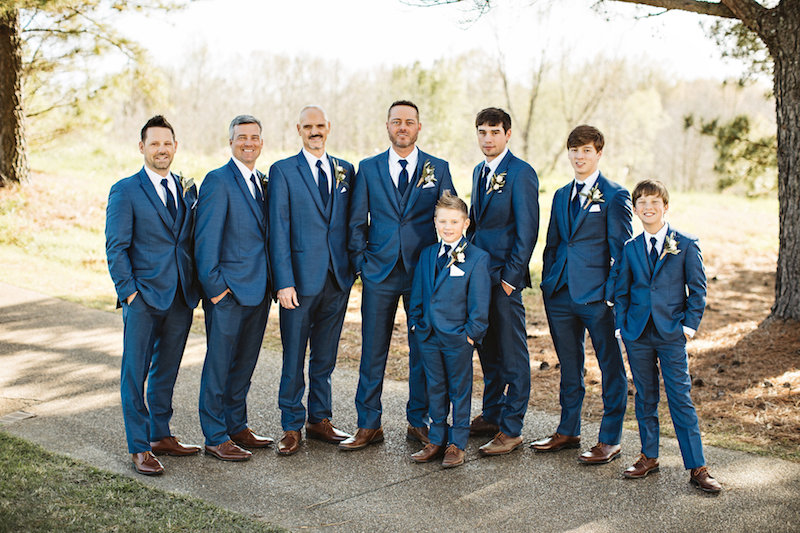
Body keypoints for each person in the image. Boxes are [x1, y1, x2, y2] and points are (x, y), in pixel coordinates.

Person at [342, 100, 456, 450]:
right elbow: (357, 220)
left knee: (423, 349)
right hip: (379, 272)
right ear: (387, 126)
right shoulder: (369, 168)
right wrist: (362, 262)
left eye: (409, 122)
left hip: (423, 274)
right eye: (396, 121)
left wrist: (443, 266)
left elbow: (450, 217)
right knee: (373, 350)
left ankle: (418, 421)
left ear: (419, 127)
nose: (402, 127)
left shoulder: (437, 167)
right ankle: (368, 424)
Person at [105, 115, 202, 475]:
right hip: (143, 297)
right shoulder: (126, 190)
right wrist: (129, 294)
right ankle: (139, 446)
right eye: (155, 143)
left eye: (167, 143)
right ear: (142, 146)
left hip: (180, 296)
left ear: (175, 147)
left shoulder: (186, 188)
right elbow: (116, 247)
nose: (162, 150)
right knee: (136, 371)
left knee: (167, 370)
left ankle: (161, 434)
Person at [614, 179, 722, 493]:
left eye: (654, 202)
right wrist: (622, 327)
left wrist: (687, 327)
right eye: (642, 203)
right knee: (645, 397)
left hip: (671, 332)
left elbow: (698, 290)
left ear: (665, 207)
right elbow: (622, 291)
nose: (648, 208)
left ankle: (697, 466)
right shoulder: (630, 247)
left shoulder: (685, 243)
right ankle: (649, 456)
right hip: (637, 333)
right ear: (635, 210)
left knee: (680, 397)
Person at [533, 125, 631, 465]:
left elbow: (622, 252)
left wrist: (610, 295)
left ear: (599, 153)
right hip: (560, 294)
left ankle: (610, 438)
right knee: (569, 366)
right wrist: (548, 283)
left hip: (597, 298)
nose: (579, 157)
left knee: (610, 366)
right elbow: (554, 243)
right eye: (574, 151)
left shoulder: (616, 195)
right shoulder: (561, 195)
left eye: (586, 150)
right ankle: (568, 429)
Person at [268, 106, 355, 455]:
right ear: (298, 130)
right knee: (293, 355)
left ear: (329, 128)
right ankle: (291, 425)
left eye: (320, 126)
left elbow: (350, 222)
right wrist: (283, 282)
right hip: (298, 283)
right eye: (308, 127)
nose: (315, 131)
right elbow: (278, 229)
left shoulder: (346, 170)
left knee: (325, 356)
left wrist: (353, 269)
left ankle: (320, 419)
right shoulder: (283, 171)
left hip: (337, 277)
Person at [194, 115, 273, 462]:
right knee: (219, 365)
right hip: (227, 294)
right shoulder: (218, 181)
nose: (249, 143)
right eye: (242, 137)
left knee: (244, 364)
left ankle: (237, 425)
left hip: (259, 291)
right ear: (230, 142)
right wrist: (216, 291)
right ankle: (215, 435)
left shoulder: (263, 182)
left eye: (254, 137)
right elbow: (205, 240)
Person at [466, 107, 539, 456]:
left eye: (494, 132)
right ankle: (493, 413)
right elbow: (478, 227)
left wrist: (511, 279)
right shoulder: (480, 171)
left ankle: (512, 428)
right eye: (482, 132)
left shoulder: (521, 173)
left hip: (504, 280)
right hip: (480, 277)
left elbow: (527, 232)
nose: (487, 138)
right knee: (488, 351)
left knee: (512, 355)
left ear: (508, 134)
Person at [408, 192, 490, 468]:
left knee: (459, 389)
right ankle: (436, 438)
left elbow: (480, 304)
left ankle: (457, 443)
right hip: (428, 334)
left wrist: (470, 334)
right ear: (434, 223)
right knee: (435, 387)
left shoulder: (477, 259)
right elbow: (418, 293)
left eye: (454, 221)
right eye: (442, 221)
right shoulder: (428, 254)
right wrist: (416, 323)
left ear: (466, 223)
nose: (448, 227)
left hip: (458, 337)